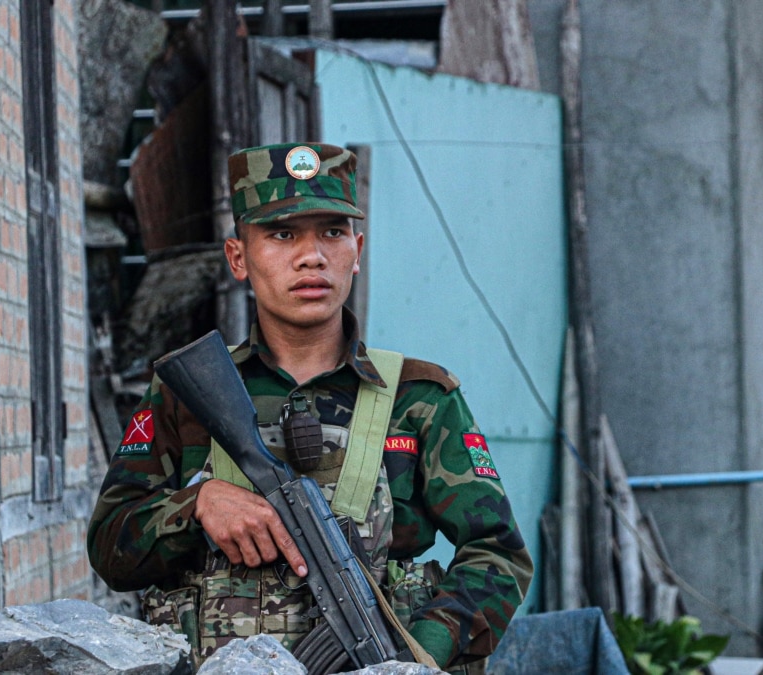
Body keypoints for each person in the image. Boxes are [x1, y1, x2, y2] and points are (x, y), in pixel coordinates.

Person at [87, 142, 533, 672]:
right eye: (282, 234)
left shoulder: (420, 399)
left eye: (333, 232)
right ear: (238, 258)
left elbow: (498, 554)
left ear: (357, 250)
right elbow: (111, 545)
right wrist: (197, 506)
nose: (312, 256)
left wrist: (418, 658)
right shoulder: (187, 394)